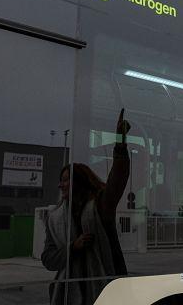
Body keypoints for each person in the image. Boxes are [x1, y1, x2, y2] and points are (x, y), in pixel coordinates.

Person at [42, 109, 131, 305]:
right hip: (67, 294)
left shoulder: (99, 207)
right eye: (61, 180)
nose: (60, 185)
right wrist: (73, 247)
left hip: (105, 291)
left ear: (80, 182)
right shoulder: (55, 218)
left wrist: (120, 145)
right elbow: (48, 259)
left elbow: (117, 181)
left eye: (66, 180)